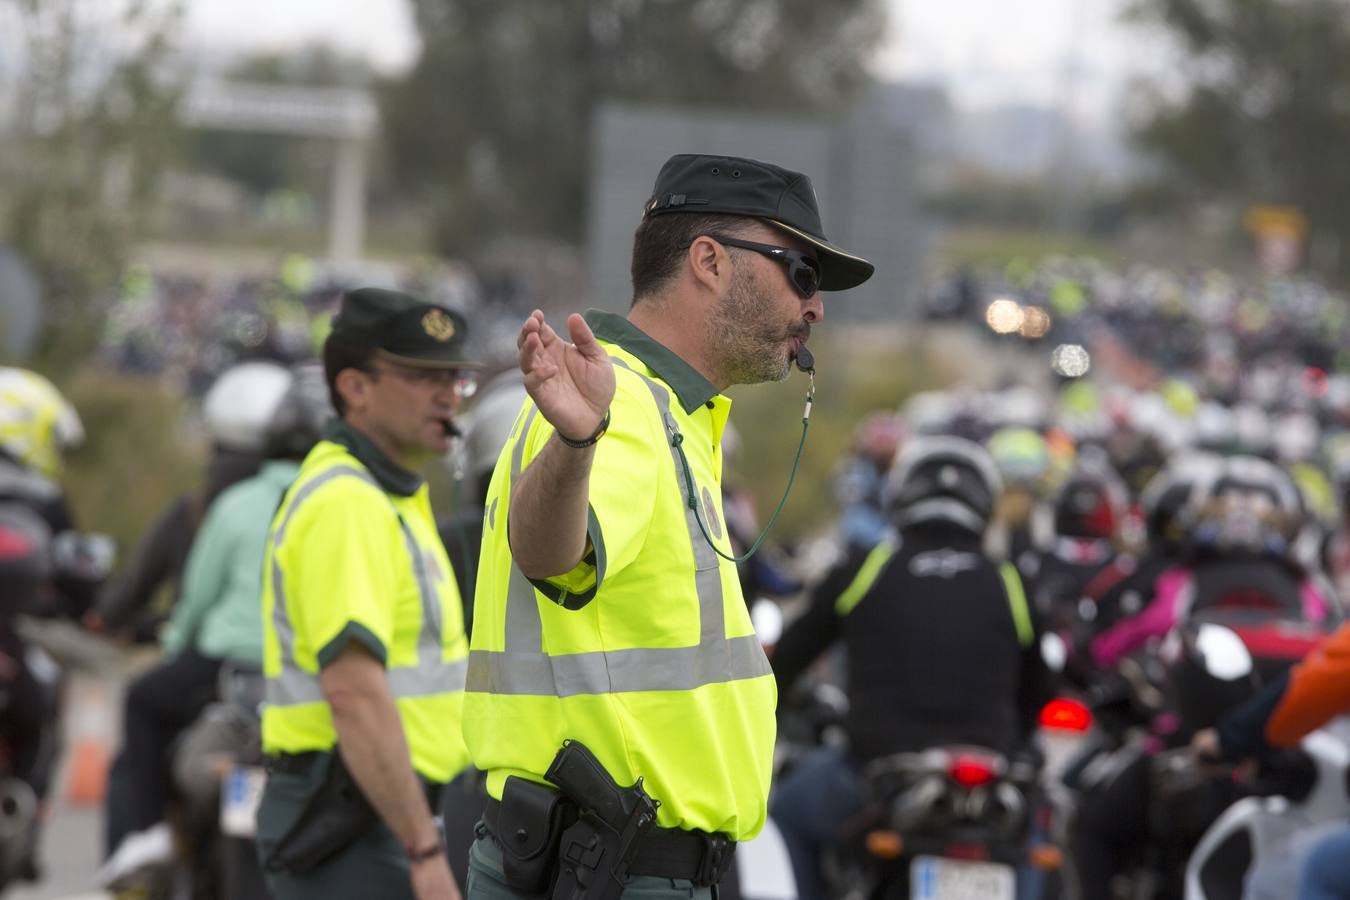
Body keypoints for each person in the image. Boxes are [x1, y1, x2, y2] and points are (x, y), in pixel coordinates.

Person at [461, 153, 873, 900]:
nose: (815, 309)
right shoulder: (623, 411)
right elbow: (551, 554)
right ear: (710, 262)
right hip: (613, 869)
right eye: (801, 275)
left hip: (605, 865)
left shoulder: (667, 412)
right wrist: (579, 442)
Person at [254, 288, 478, 900]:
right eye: (421, 375)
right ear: (355, 388)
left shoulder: (390, 495)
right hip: (358, 815)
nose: (448, 393)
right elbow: (354, 693)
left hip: (386, 808)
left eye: (455, 376)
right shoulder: (346, 503)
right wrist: (422, 848)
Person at [769, 436, 1054, 899]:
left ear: (901, 496)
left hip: (870, 773)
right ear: (984, 503)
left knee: (786, 817)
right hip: (988, 783)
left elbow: (787, 660)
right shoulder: (1009, 579)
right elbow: (1040, 690)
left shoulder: (864, 569)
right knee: (1032, 835)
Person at [97, 364, 332, 889]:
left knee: (141, 700)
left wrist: (177, 646)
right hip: (314, 675)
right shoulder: (346, 503)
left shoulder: (228, 504)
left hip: (224, 668)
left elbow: (196, 602)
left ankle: (146, 834)